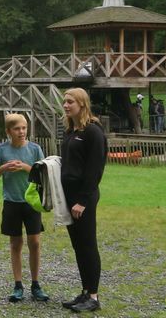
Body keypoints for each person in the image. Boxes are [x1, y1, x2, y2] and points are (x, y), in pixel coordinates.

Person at [0, 113, 49, 303]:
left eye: (24, 128)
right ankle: (18, 285)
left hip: (32, 202)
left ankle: (36, 284)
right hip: (11, 203)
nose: (21, 131)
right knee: (16, 244)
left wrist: (24, 166)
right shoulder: (2, 149)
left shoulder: (35, 149)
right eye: (17, 129)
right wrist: (4, 168)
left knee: (35, 242)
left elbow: (43, 175)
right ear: (8, 131)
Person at [60, 88, 107, 313]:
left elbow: (94, 169)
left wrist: (83, 201)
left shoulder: (93, 132)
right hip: (68, 197)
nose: (66, 105)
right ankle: (85, 291)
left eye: (70, 102)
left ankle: (94, 297)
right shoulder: (70, 130)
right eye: (64, 102)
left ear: (82, 103)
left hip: (83, 198)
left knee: (88, 245)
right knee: (78, 246)